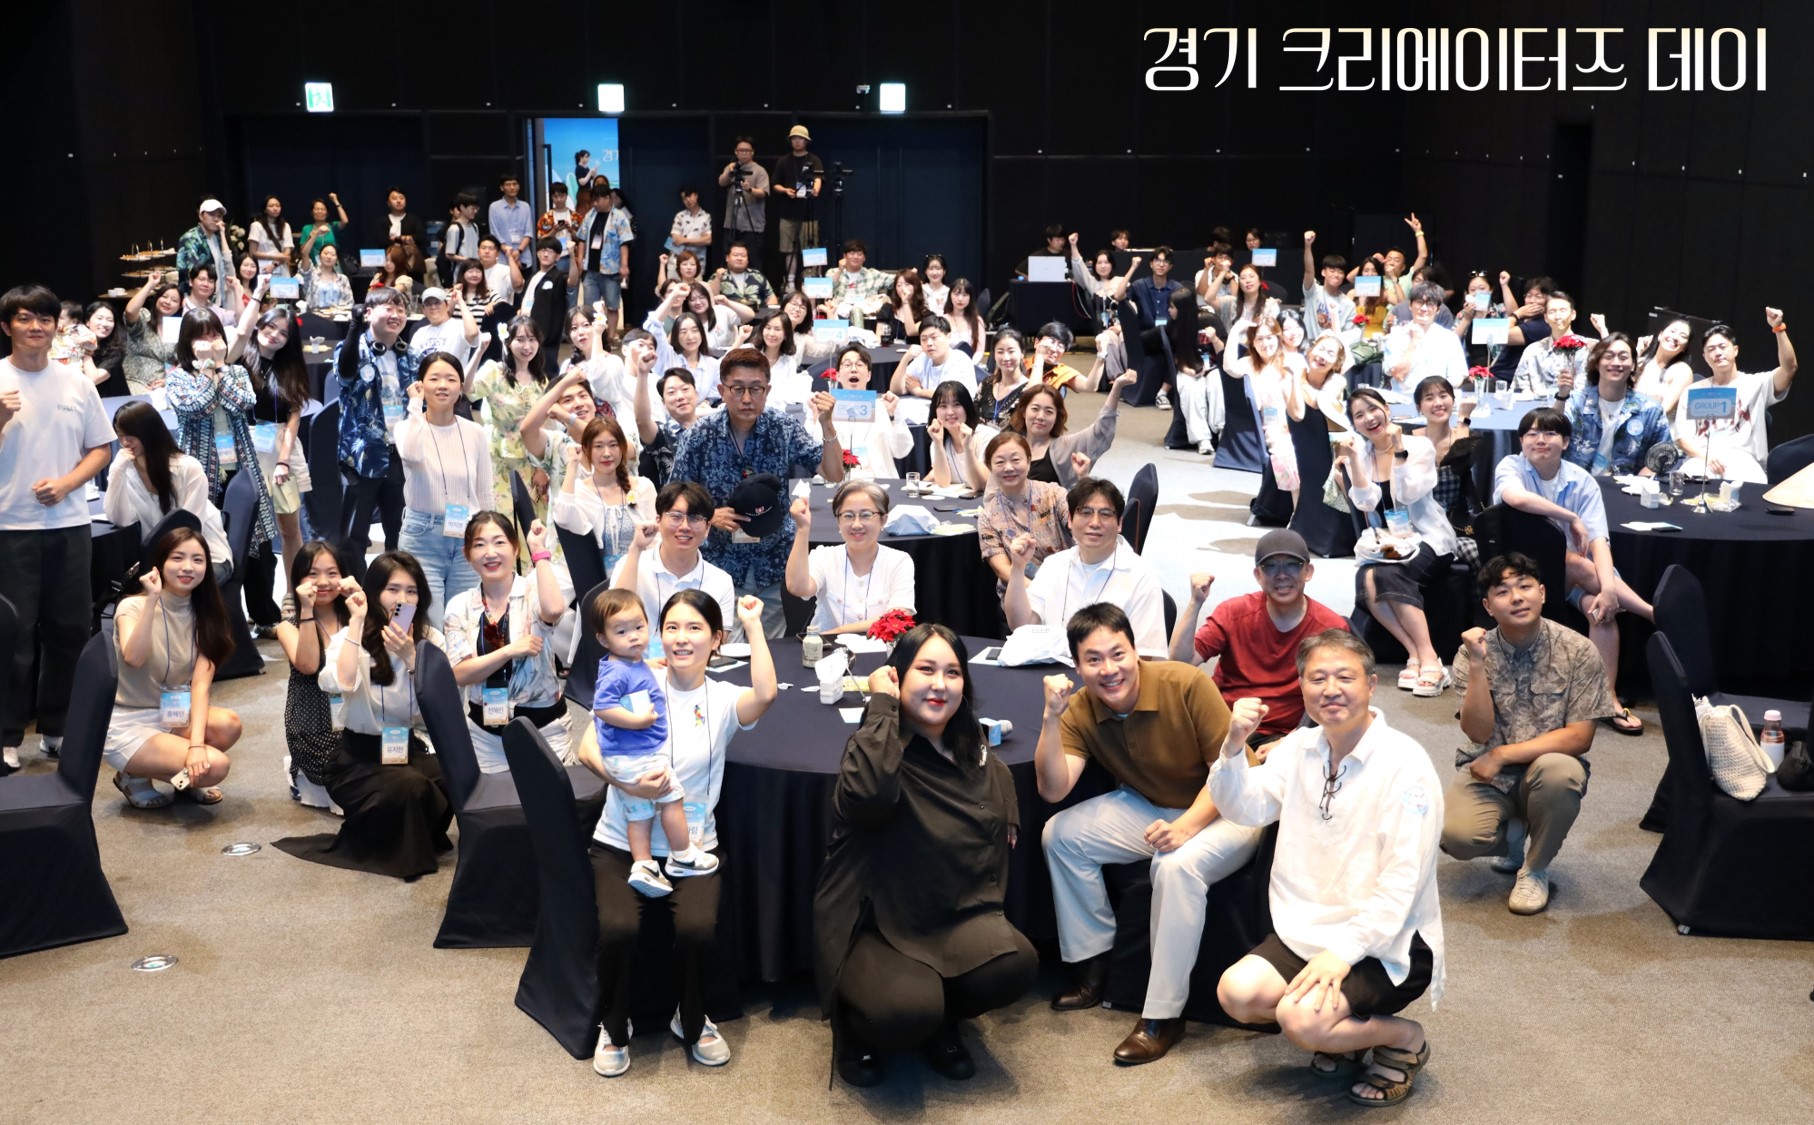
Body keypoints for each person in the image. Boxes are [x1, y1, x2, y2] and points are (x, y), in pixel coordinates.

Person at [1211, 630, 1444, 1109]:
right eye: (1317, 678)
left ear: (1372, 685)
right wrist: (1234, 746)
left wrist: (1342, 954)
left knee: (1303, 1022)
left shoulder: (1406, 765)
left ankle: (1404, 1038)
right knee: (1237, 994)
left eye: (1344, 676)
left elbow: (1403, 883)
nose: (1330, 689)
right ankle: (1349, 1036)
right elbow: (1242, 806)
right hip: (1306, 932)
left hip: (1387, 940)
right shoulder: (1300, 748)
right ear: (1301, 686)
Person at [1037, 603, 1260, 1064]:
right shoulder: (1081, 707)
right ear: (1076, 666)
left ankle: (1163, 1014)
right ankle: (1095, 962)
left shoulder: (1186, 683)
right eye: (1093, 660)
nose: (1109, 669)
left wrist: (1186, 828)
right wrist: (1050, 719)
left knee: (1174, 866)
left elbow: (1230, 770)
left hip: (1232, 804)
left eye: (1117, 654)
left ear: (1136, 651)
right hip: (1154, 806)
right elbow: (1054, 788)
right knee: (1060, 835)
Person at [816, 623, 1037, 1087]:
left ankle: (944, 1021)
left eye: (953, 673)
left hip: (945, 911)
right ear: (897, 676)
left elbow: (992, 770)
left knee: (1016, 963)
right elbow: (868, 797)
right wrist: (881, 709)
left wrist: (1008, 811)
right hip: (877, 917)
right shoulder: (878, 743)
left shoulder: (967, 743)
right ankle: (856, 1034)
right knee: (905, 1012)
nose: (940, 684)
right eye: (927, 669)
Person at [577, 591, 775, 1075]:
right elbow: (586, 745)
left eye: (695, 628)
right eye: (672, 627)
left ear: (715, 639)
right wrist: (622, 780)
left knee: (696, 930)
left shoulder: (724, 698)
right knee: (620, 929)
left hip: (692, 847)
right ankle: (614, 1027)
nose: (682, 638)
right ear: (658, 635)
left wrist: (753, 624)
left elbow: (766, 695)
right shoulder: (640, 678)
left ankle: (693, 1019)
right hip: (623, 842)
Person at [1444, 553, 1616, 915]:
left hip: (1543, 769)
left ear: (1542, 593)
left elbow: (1579, 738)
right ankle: (1513, 835)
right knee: (1455, 838)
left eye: (1524, 587)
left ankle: (1535, 869)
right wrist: (1477, 664)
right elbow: (1477, 731)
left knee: (1561, 772)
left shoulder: (1579, 651)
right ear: (1488, 607)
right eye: (1503, 592)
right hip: (1489, 775)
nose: (1517, 597)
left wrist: (1503, 754)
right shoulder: (1470, 653)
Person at [275, 551, 453, 881]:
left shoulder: (430, 639)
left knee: (449, 774)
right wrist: (357, 621)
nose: (403, 599)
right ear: (374, 593)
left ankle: (419, 838)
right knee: (411, 786)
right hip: (359, 757)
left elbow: (441, 708)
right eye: (393, 589)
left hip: (404, 747)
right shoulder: (349, 637)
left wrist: (411, 657)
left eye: (411, 591)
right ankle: (399, 849)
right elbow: (338, 682)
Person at [0, 286, 115, 772]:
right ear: (7, 327)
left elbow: (102, 448)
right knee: (12, 635)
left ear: (56, 326)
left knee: (69, 630)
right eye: (24, 319)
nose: (35, 327)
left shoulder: (76, 382)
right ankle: (6, 735)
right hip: (9, 528)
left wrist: (68, 483)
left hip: (70, 525)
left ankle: (56, 727)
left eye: (44, 319)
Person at [1492, 407, 1655, 734]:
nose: (1540, 440)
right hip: (1520, 572)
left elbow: (1599, 542)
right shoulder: (1512, 466)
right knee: (1573, 560)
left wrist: (1608, 590)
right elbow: (1516, 498)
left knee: (1600, 609)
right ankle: (1654, 614)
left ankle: (1607, 699)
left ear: (1565, 442)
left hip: (1568, 579)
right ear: (1521, 440)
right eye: (1532, 434)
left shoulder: (1582, 480)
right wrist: (1570, 517)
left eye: (1550, 433)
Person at [668, 349, 845, 637]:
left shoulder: (783, 427)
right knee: (723, 651)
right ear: (722, 390)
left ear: (768, 390)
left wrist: (827, 424)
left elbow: (833, 473)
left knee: (771, 652)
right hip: (720, 564)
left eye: (756, 389)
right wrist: (709, 513)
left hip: (773, 560)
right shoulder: (700, 434)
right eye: (738, 389)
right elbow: (675, 495)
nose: (747, 399)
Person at [587, 587, 721, 897]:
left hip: (624, 756)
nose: (633, 636)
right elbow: (604, 707)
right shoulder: (616, 672)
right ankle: (683, 855)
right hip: (632, 755)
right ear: (604, 640)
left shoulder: (630, 664)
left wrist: (649, 664)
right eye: (622, 631)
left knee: (640, 812)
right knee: (672, 796)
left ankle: (644, 864)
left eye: (639, 627)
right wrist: (639, 721)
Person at [1335, 389, 1459, 698]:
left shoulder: (1420, 446)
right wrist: (1353, 460)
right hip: (1389, 543)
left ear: (1387, 409)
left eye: (1372, 409)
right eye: (1359, 416)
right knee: (1366, 576)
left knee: (1388, 574)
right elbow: (1365, 504)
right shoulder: (1360, 454)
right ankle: (1414, 653)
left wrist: (1399, 449)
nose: (1369, 419)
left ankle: (1430, 656)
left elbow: (1409, 494)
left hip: (1429, 537)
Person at [103, 528, 241, 808]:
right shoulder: (132, 607)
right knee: (216, 766)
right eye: (178, 558)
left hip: (172, 713)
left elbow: (200, 687)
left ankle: (186, 780)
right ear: (161, 564)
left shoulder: (206, 615)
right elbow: (134, 657)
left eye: (198, 560)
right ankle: (133, 776)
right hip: (128, 720)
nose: (188, 567)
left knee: (229, 726)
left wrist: (196, 747)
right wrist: (152, 598)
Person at [1171, 530, 1351, 742]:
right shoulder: (1233, 613)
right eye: (1271, 566)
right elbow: (1180, 663)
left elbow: (1337, 699)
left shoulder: (1330, 628)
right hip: (1225, 722)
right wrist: (1195, 603)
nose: (1282, 575)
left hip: (1283, 734)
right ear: (1258, 575)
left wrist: (1290, 743)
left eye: (1292, 564)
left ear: (1308, 572)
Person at [444, 514, 572, 772]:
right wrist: (510, 651)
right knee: (495, 809)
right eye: (479, 545)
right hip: (485, 735)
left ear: (514, 548)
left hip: (545, 729)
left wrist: (538, 550)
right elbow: (461, 673)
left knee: (553, 807)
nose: (490, 553)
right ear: (467, 555)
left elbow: (554, 609)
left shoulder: (532, 590)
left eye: (499, 542)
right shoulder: (460, 605)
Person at [1005, 478, 1166, 656]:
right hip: (1052, 674)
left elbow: (1143, 658)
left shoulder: (1140, 577)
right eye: (1086, 512)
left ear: (1119, 523)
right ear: (1070, 521)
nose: (1095, 523)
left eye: (1105, 514)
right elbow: (1021, 625)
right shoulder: (1055, 564)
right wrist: (1017, 569)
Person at [164, 307, 280, 551]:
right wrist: (207, 371)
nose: (210, 343)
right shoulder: (177, 377)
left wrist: (218, 366)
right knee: (204, 541)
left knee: (255, 543)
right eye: (201, 337)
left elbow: (243, 403)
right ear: (187, 342)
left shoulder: (235, 371)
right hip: (200, 469)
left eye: (214, 335)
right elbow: (197, 407)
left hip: (241, 464)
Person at [393, 353, 495, 623]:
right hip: (421, 536)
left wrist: (489, 537)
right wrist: (415, 404)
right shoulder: (406, 427)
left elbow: (485, 493)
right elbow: (412, 454)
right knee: (414, 620)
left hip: (466, 537)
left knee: (464, 621)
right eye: (434, 378)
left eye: (451, 379)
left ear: (460, 388)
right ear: (420, 384)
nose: (442, 385)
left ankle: (458, 668)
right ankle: (403, 666)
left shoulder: (475, 433)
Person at [334, 290, 428, 556]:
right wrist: (353, 329)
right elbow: (344, 373)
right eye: (389, 308)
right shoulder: (352, 348)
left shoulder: (409, 355)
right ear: (368, 313)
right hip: (362, 458)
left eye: (401, 310)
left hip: (400, 454)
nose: (396, 315)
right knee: (354, 536)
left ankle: (393, 588)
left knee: (399, 534)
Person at [103, 401, 233, 578]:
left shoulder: (187, 468)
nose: (125, 442)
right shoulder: (126, 470)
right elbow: (120, 519)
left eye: (131, 436)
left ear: (148, 434)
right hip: (159, 563)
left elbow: (189, 530)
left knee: (160, 593)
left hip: (206, 558)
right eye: (120, 436)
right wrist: (117, 471)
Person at [1673, 312, 1798, 484]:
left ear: (1735, 350)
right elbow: (1682, 438)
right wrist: (1707, 457)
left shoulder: (1756, 384)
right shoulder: (1694, 391)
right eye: (1711, 349)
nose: (1717, 352)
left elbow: (1789, 368)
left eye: (1722, 347)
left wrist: (1778, 329)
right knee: (1686, 481)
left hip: (1743, 459)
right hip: (1702, 459)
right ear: (1704, 357)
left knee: (1750, 488)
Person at [274, 541, 352, 810]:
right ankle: (300, 774)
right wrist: (306, 610)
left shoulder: (356, 616)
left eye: (332, 573)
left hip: (358, 721)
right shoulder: (288, 626)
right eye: (312, 574)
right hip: (314, 728)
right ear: (298, 580)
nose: (323, 582)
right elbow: (307, 665)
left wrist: (362, 603)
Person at [611, 481, 741, 642]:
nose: (685, 526)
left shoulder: (721, 581)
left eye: (695, 518)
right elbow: (615, 620)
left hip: (694, 665)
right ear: (658, 520)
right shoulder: (631, 563)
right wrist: (636, 549)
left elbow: (716, 644)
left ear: (707, 528)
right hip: (637, 663)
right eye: (676, 516)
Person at [786, 481, 916, 636]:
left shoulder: (899, 561)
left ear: (883, 520)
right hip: (827, 654)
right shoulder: (824, 556)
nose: (856, 524)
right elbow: (797, 588)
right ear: (838, 522)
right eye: (848, 516)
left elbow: (899, 616)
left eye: (866, 515)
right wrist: (802, 529)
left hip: (881, 652)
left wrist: (840, 631)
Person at [553, 416, 655, 585]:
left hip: (643, 579)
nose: (607, 453)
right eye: (598, 446)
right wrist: (572, 465)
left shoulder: (643, 487)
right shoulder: (581, 491)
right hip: (601, 585)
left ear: (622, 448)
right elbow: (563, 518)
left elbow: (656, 539)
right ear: (587, 450)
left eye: (613, 445)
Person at [468, 316, 552, 517]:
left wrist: (544, 467)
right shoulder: (494, 371)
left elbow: (547, 426)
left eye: (532, 339)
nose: (527, 346)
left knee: (532, 517)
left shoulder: (541, 380)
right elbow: (467, 389)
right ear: (508, 342)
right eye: (520, 339)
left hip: (530, 459)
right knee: (500, 515)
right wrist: (479, 351)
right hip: (495, 457)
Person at [1225, 317, 1308, 512]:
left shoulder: (1292, 360)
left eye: (1269, 338)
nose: (1265, 344)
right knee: (1287, 453)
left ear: (1278, 337)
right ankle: (1298, 514)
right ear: (1252, 343)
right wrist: (1236, 329)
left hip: (1299, 421)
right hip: (1274, 427)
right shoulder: (1250, 363)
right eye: (1259, 339)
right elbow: (1229, 367)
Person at [1562, 334, 1673, 477]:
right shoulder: (1576, 401)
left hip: (1626, 489)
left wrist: (1644, 477)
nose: (1616, 363)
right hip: (1577, 486)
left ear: (1633, 364)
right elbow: (1552, 435)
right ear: (1596, 363)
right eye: (1608, 357)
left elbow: (1664, 453)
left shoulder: (1650, 409)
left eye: (1623, 357)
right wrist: (1561, 397)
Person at [975, 431, 1070, 595]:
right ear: (989, 467)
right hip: (1021, 592)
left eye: (1016, 460)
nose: (1008, 467)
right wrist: (1041, 592)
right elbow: (1002, 569)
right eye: (999, 462)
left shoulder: (1053, 493)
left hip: (1066, 584)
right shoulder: (988, 517)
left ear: (1028, 461)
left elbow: (1078, 525)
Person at [1001, 375, 1134, 489]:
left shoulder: (1064, 447)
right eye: (1035, 409)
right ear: (1024, 412)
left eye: (1049, 411)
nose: (1040, 416)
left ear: (1056, 418)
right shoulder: (1012, 445)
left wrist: (1117, 387)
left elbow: (1102, 430)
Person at [823, 346, 910, 477]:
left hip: (879, 482)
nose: (853, 369)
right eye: (847, 364)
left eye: (859, 364)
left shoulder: (884, 407)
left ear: (869, 375)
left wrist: (893, 416)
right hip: (841, 482)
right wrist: (814, 418)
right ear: (838, 376)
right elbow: (817, 453)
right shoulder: (828, 410)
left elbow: (901, 451)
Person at [570, 175, 635, 324]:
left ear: (608, 199)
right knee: (589, 308)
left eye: (598, 200)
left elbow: (624, 242)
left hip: (611, 270)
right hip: (590, 269)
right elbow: (581, 238)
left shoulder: (619, 217)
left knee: (612, 306)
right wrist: (580, 259)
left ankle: (610, 338)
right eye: (593, 200)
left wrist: (624, 265)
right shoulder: (590, 215)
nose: (595, 203)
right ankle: (593, 338)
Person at [1512, 290, 1595, 395]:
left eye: (1563, 310)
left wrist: (1603, 330)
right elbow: (1519, 389)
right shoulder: (1533, 350)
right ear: (1545, 318)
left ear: (1573, 314)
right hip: (1540, 408)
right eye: (1552, 311)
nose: (1557, 316)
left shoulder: (1588, 347)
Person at [633, 365, 703, 488]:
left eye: (685, 389)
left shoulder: (713, 428)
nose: (680, 396)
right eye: (671, 393)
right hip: (677, 503)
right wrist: (642, 374)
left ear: (696, 394)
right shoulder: (662, 433)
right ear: (663, 403)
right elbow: (642, 421)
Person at [774, 125, 824, 288]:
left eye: (800, 138)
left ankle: (811, 281)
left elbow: (818, 177)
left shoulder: (813, 159)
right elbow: (775, 184)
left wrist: (816, 189)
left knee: (811, 249)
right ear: (790, 141)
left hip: (809, 212)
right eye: (794, 138)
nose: (797, 141)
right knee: (788, 249)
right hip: (788, 212)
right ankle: (790, 283)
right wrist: (785, 190)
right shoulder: (784, 160)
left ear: (806, 141)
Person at [122, 273, 183, 392]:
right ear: (157, 298)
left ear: (179, 306)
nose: (168, 302)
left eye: (174, 300)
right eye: (164, 296)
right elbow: (130, 311)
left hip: (162, 384)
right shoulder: (144, 317)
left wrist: (168, 380)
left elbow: (183, 361)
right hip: (135, 380)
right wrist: (150, 285)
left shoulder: (176, 327)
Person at [893, 316, 978, 400]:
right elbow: (896, 390)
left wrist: (919, 391)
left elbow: (952, 396)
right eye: (924, 339)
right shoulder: (923, 358)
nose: (929, 343)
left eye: (934, 338)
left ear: (948, 337)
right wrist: (905, 360)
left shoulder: (960, 360)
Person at [927, 380, 986, 491]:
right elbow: (943, 483)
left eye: (956, 405)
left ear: (967, 407)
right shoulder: (938, 442)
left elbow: (979, 485)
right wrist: (938, 444)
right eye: (943, 406)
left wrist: (968, 449)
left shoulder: (986, 437)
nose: (950, 412)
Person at [1634, 317, 1695, 417]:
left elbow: (1663, 411)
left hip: (1655, 427)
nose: (1675, 337)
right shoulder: (1641, 362)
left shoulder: (1682, 371)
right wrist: (1637, 352)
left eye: (1683, 336)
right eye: (1673, 331)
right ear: (1660, 335)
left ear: (1685, 347)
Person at [516, 238, 570, 350]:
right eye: (543, 251)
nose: (545, 254)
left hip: (546, 334)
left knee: (546, 364)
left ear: (558, 256)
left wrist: (573, 256)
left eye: (550, 252)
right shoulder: (532, 277)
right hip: (526, 324)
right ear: (537, 253)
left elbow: (572, 281)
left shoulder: (559, 276)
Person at [820, 240, 894, 323]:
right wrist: (840, 271)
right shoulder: (833, 272)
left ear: (864, 258)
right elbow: (826, 290)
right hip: (838, 316)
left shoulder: (872, 274)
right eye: (852, 253)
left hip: (865, 317)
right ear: (844, 256)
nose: (855, 257)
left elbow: (896, 280)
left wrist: (910, 273)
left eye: (859, 254)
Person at [410, 287, 484, 369]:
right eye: (428, 304)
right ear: (423, 310)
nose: (433, 307)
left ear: (447, 306)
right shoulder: (419, 333)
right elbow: (413, 362)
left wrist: (460, 301)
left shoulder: (459, 326)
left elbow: (473, 334)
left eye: (437, 302)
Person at [716, 137, 770, 248]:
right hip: (731, 223)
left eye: (747, 150)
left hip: (752, 224)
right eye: (741, 150)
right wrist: (729, 171)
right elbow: (722, 182)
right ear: (736, 152)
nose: (744, 153)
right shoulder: (731, 167)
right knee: (730, 256)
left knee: (752, 259)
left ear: (752, 152)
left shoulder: (760, 170)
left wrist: (750, 189)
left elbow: (763, 192)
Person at [175, 199, 231, 305]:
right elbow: (189, 272)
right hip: (196, 301)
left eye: (219, 216)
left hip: (216, 299)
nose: (216, 219)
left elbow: (224, 268)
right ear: (201, 216)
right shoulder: (190, 238)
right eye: (211, 214)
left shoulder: (217, 238)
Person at [1301, 232, 1356, 335]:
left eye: (1340, 272)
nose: (1336, 275)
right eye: (1332, 270)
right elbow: (1309, 271)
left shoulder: (1349, 305)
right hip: (1309, 344)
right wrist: (1308, 246)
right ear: (1323, 272)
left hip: (1333, 347)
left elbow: (1348, 335)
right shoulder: (1313, 291)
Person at [974, 330, 1030, 424]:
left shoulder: (1028, 389)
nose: (1006, 358)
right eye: (1000, 352)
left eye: (1011, 351)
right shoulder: (986, 384)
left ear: (1021, 353)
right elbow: (973, 416)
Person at [1302, 332, 1350, 430]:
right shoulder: (1298, 373)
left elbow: (1318, 403)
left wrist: (1299, 379)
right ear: (1310, 351)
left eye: (1330, 354)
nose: (1322, 356)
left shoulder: (1337, 381)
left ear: (1336, 364)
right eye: (1321, 349)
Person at [487, 173, 533, 262]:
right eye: (508, 185)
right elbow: (494, 234)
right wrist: (507, 252)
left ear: (519, 186)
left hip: (523, 257)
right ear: (502, 188)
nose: (512, 187)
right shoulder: (494, 207)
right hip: (502, 258)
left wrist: (519, 251)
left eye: (515, 184)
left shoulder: (525, 206)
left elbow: (528, 233)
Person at [667, 185, 713, 274]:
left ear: (696, 195)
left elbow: (708, 240)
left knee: (695, 287)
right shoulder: (679, 216)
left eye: (689, 196)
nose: (687, 200)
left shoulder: (706, 217)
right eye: (684, 198)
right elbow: (675, 239)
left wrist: (684, 240)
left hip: (697, 263)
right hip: (676, 261)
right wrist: (699, 240)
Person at [247, 195, 294, 277]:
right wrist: (275, 256)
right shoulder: (256, 226)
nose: (275, 208)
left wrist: (274, 264)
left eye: (278, 206)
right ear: (265, 209)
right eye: (271, 206)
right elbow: (253, 253)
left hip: (281, 268)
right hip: (263, 267)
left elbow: (287, 252)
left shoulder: (285, 226)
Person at [297, 194, 350, 267]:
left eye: (323, 209)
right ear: (312, 212)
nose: (319, 211)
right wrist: (310, 238)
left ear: (327, 213)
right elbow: (302, 251)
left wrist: (335, 200)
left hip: (334, 266)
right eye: (316, 209)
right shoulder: (307, 228)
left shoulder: (333, 226)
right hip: (314, 267)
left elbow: (345, 221)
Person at [442, 192, 483, 283]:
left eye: (476, 208)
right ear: (462, 208)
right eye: (472, 208)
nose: (475, 211)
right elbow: (449, 254)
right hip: (460, 272)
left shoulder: (474, 226)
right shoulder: (455, 228)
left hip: (475, 269)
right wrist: (468, 260)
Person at [371, 186, 428, 252]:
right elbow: (382, 241)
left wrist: (398, 239)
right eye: (394, 198)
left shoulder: (415, 220)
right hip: (389, 258)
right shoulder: (382, 221)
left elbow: (420, 237)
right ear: (388, 203)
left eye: (401, 198)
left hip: (410, 258)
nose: (398, 201)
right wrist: (407, 240)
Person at [301, 243, 354, 312]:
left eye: (333, 254)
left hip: (338, 318)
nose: (329, 256)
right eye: (326, 253)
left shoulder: (343, 279)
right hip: (315, 318)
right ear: (319, 256)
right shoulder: (311, 275)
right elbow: (304, 253)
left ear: (337, 259)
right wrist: (315, 235)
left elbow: (350, 302)